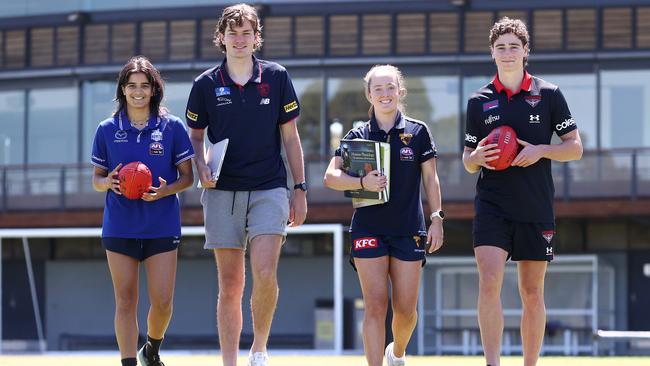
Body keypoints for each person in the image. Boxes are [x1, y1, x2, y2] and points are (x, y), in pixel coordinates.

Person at [184, 3, 307, 366]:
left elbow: (291, 137)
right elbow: (194, 137)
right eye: (232, 33)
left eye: (246, 33)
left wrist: (299, 189)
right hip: (221, 193)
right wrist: (201, 165)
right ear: (220, 38)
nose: (240, 39)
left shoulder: (277, 76)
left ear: (257, 38)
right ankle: (229, 361)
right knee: (231, 285)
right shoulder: (205, 84)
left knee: (265, 272)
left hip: (270, 188)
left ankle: (259, 349)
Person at [462, 17, 583, 366]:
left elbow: (575, 148)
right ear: (492, 53)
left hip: (535, 203)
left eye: (514, 46)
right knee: (489, 282)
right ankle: (492, 362)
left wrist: (541, 150)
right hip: (492, 203)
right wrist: (477, 157)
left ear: (526, 51)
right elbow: (468, 160)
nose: (508, 53)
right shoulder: (478, 100)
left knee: (531, 292)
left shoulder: (548, 94)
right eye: (501, 47)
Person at [324, 64, 444, 366]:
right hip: (369, 229)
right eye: (378, 88)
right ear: (369, 94)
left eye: (390, 87)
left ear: (400, 91)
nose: (385, 94)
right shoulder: (357, 135)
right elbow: (330, 176)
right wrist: (361, 182)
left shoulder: (418, 132)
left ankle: (398, 353)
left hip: (409, 229)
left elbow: (431, 179)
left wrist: (437, 218)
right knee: (376, 306)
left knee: (405, 311)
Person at [91, 56, 195, 366]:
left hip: (161, 224)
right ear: (122, 90)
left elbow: (188, 177)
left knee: (162, 302)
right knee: (125, 300)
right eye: (131, 85)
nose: (138, 92)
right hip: (119, 225)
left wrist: (166, 190)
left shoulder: (172, 127)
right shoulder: (107, 129)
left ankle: (151, 350)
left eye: (144, 86)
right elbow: (96, 180)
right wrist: (107, 182)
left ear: (153, 90)